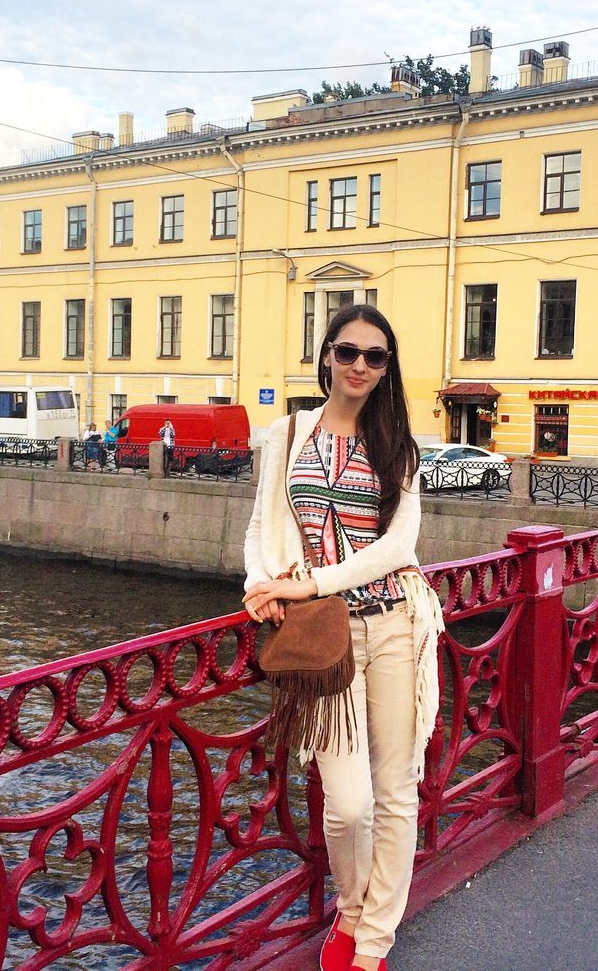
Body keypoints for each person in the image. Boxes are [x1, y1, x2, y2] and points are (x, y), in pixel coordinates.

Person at [242, 304, 443, 971]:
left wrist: (310, 582)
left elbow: (397, 549)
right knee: (347, 807)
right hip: (323, 641)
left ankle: (370, 944)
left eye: (375, 356)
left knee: (394, 794)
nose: (360, 365)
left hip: (394, 627)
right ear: (326, 354)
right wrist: (258, 583)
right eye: (348, 351)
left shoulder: (399, 449)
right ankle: (351, 910)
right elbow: (262, 524)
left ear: (387, 370)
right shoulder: (287, 434)